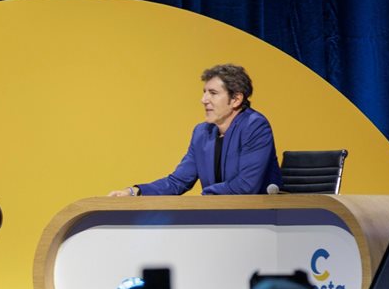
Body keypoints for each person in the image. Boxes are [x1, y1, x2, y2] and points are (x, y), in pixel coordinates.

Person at [109, 64, 282, 197]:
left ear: (236, 99)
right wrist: (134, 192)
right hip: (218, 218)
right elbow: (178, 181)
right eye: (204, 92)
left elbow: (245, 186)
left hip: (258, 221)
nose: (203, 99)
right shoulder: (202, 132)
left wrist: (205, 197)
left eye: (213, 93)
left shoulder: (255, 126)